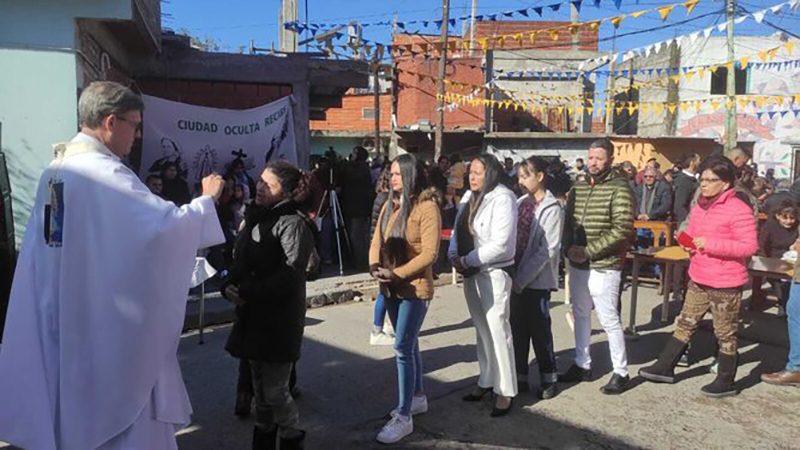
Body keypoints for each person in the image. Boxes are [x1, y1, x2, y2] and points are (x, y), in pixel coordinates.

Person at [0, 81, 226, 450]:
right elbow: (164, 230)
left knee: (70, 414)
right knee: (122, 425)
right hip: (101, 330)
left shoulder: (54, 170)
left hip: (62, 313)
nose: (137, 135)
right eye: (135, 125)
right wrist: (206, 201)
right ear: (110, 122)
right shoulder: (104, 174)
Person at [639, 156, 758, 397]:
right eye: (702, 179)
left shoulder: (739, 209)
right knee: (685, 322)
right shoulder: (701, 205)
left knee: (725, 331)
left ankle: (726, 380)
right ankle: (665, 366)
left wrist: (711, 244)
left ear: (725, 183)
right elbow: (692, 231)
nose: (704, 184)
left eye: (711, 180)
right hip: (699, 275)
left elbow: (749, 247)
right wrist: (686, 242)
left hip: (725, 281)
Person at [223, 160, 317, 449]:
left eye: (269, 184)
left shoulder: (294, 223)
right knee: (259, 389)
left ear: (286, 192)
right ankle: (264, 438)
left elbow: (289, 277)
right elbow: (239, 261)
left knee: (275, 391)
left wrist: (248, 290)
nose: (260, 187)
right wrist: (228, 286)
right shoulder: (254, 217)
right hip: (253, 316)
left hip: (280, 320)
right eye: (260, 181)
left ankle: (290, 436)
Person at [368, 153, 441, 444]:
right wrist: (375, 266)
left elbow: (430, 253)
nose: (391, 178)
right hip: (391, 287)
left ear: (410, 175)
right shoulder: (390, 204)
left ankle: (404, 415)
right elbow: (377, 239)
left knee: (401, 348)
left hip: (414, 288)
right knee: (410, 344)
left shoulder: (427, 207)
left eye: (397, 174)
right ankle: (418, 396)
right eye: (391, 173)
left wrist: (397, 273)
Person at [561, 138, 635, 395]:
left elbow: (622, 229)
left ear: (610, 160)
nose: (592, 163)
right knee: (580, 313)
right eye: (590, 157)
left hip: (605, 264)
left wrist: (589, 251)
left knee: (609, 319)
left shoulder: (620, 188)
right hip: (579, 263)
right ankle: (582, 363)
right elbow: (568, 221)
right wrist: (567, 248)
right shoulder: (578, 186)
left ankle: (621, 372)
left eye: (598, 158)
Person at [448, 154, 518, 417]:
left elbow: (501, 244)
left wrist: (467, 259)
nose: (472, 177)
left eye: (478, 172)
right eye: (471, 172)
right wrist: (454, 254)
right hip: (471, 271)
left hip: (493, 272)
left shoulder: (503, 197)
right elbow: (458, 228)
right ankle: (486, 380)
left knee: (498, 330)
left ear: (491, 173)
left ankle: (505, 390)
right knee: (481, 329)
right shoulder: (469, 197)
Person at [511, 156, 564, 400]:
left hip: (536, 278)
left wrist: (522, 279)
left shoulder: (551, 208)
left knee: (540, 330)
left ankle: (548, 377)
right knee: (517, 329)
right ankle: (519, 376)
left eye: (526, 176)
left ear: (540, 176)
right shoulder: (521, 202)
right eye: (520, 176)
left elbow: (547, 249)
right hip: (515, 275)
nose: (521, 181)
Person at [758, 199, 800, 316]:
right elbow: (761, 245)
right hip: (772, 257)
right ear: (778, 216)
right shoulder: (770, 226)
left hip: (791, 255)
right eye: (785, 218)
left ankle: (789, 304)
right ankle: (783, 304)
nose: (789, 221)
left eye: (792, 218)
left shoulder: (797, 226)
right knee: (779, 281)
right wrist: (765, 261)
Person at [338, 146, 374, 271]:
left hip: (357, 208)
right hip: (351, 207)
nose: (351, 155)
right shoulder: (356, 167)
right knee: (353, 236)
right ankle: (354, 260)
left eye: (354, 153)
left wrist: (343, 163)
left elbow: (351, 176)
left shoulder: (361, 168)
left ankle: (361, 263)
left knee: (356, 237)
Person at [369, 167, 395, 346]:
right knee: (384, 293)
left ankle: (385, 326)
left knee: (384, 292)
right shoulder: (387, 200)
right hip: (384, 251)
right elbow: (380, 229)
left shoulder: (381, 197)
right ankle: (378, 329)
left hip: (380, 250)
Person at [673, 152, 701, 226]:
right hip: (687, 222)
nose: (700, 162)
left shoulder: (696, 178)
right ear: (692, 163)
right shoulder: (683, 181)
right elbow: (680, 205)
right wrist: (687, 222)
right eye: (698, 160)